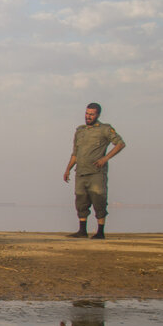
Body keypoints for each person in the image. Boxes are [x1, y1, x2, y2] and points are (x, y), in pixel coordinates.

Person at [63, 102, 125, 239]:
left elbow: (120, 144)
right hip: (81, 172)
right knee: (81, 200)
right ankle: (82, 231)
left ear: (97, 115)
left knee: (99, 199)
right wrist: (68, 169)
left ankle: (100, 232)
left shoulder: (105, 129)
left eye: (91, 114)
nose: (88, 116)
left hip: (96, 172)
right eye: (87, 113)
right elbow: (75, 153)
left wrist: (105, 158)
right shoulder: (80, 131)